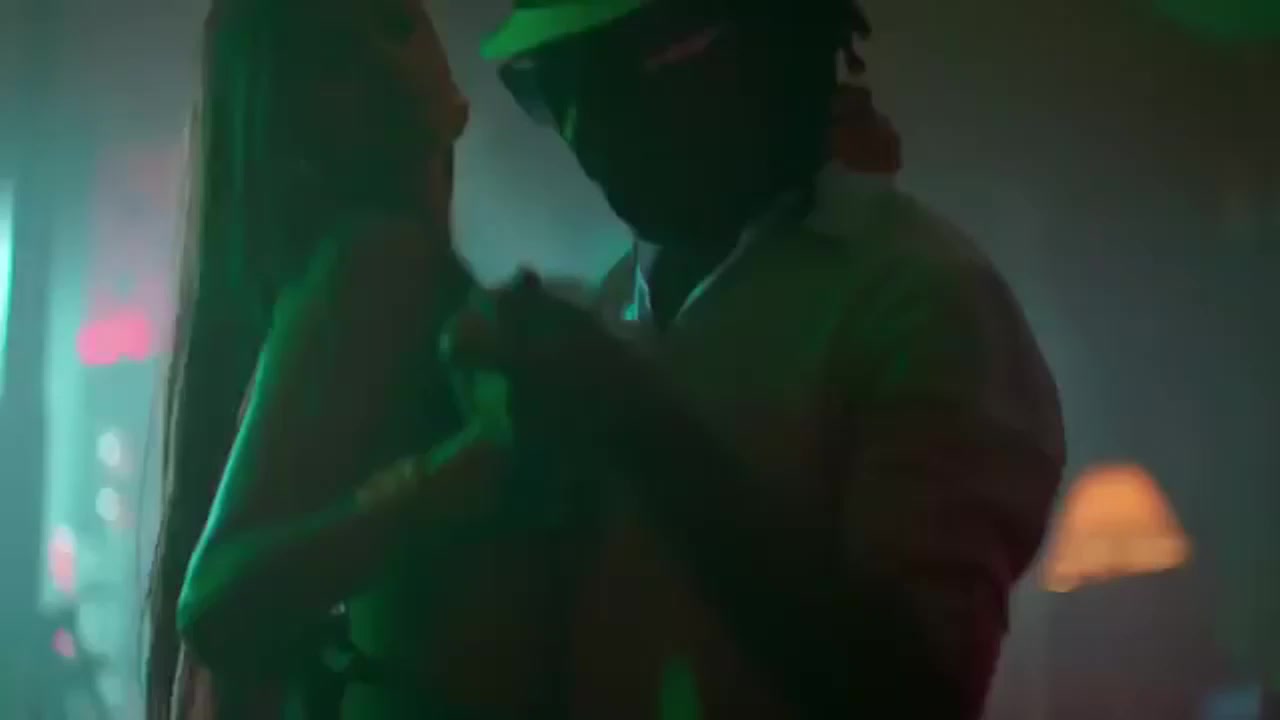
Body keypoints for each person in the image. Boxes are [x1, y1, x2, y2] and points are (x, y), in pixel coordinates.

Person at [450, 0, 1068, 717]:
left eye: (621, 73)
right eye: (554, 86)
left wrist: (634, 417)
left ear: (769, 41)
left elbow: (914, 696)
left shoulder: (925, 302)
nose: (583, 129)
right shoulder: (613, 304)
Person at [144, 0, 515, 717]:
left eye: (395, 20)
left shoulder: (365, 273)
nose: (387, 62)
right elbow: (217, 602)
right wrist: (470, 465)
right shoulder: (376, 265)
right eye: (337, 56)